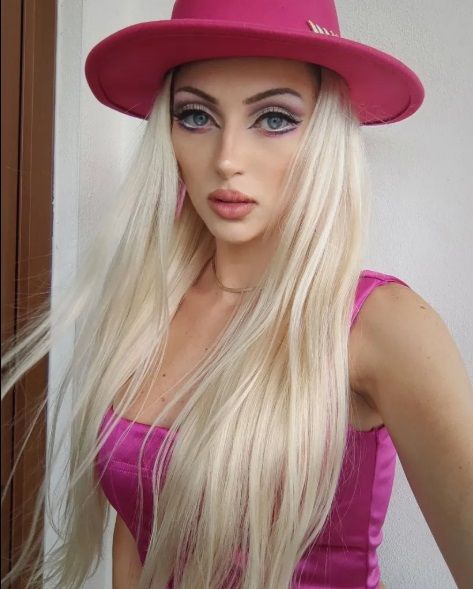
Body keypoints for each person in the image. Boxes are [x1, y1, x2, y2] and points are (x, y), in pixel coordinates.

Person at [2, 1, 472, 588]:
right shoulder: (150, 306)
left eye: (274, 118)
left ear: (324, 134)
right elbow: (139, 524)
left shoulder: (380, 326)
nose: (227, 160)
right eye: (196, 116)